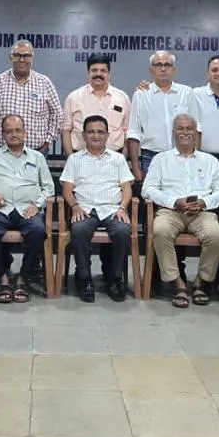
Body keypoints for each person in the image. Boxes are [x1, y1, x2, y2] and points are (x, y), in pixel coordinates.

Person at [143, 114, 219, 308]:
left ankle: (201, 281)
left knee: (215, 235)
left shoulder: (210, 161)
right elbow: (148, 189)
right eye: (180, 129)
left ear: (196, 133)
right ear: (173, 133)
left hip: (202, 213)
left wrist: (204, 202)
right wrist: (174, 202)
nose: (185, 132)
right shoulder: (160, 159)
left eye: (189, 128)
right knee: (160, 230)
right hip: (170, 212)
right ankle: (177, 283)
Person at [0, 114, 53, 303]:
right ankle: (2, 278)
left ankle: (23, 278)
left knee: (37, 231)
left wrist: (37, 205)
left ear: (25, 133)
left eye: (18, 130)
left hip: (28, 209)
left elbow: (49, 188)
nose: (14, 134)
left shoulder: (37, 157)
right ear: (3, 134)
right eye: (9, 131)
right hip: (0, 209)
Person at [60, 115, 135, 303]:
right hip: (84, 209)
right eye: (91, 132)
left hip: (112, 209)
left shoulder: (118, 159)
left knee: (123, 231)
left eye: (100, 132)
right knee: (79, 229)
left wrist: (123, 207)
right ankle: (84, 278)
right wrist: (74, 206)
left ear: (107, 135)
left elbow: (126, 188)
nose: (96, 136)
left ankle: (115, 279)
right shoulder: (74, 159)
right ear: (83, 135)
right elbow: (67, 189)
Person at [0, 39, 63, 154]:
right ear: (10, 57)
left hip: (37, 153)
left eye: (26, 56)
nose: (22, 60)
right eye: (17, 55)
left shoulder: (45, 83)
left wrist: (47, 143)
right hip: (2, 153)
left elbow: (57, 116)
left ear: (32, 59)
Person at [126, 51, 194, 181]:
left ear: (173, 70)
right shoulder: (141, 95)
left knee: (181, 191)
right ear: (151, 70)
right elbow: (134, 133)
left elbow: (196, 129)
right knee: (152, 193)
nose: (163, 69)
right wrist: (135, 167)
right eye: (158, 65)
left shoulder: (186, 93)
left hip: (182, 155)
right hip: (150, 157)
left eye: (167, 65)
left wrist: (195, 158)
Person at [61, 54, 130, 157]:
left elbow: (127, 131)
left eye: (103, 71)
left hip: (114, 157)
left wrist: (122, 158)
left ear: (109, 74)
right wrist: (71, 158)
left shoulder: (122, 98)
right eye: (94, 70)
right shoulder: (74, 98)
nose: (98, 74)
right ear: (88, 72)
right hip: (80, 156)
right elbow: (66, 130)